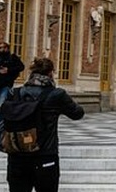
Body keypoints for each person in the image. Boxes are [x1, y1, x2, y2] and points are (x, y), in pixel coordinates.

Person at [5, 56, 84, 192]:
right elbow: (77, 113)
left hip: (17, 155)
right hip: (45, 155)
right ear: (50, 73)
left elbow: (4, 117)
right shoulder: (57, 94)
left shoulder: (15, 93)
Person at [0, 42, 24, 119]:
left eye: (0, 48)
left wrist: (8, 70)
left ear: (6, 48)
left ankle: (3, 124)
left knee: (2, 105)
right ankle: (0, 124)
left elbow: (21, 67)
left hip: (6, 85)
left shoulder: (13, 57)